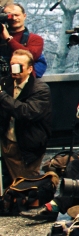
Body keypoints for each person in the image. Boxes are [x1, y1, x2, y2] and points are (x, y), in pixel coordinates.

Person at [0, 49, 51, 184]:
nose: (14, 69)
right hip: (7, 141)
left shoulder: (41, 89)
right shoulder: (6, 84)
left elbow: (26, 112)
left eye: (19, 66)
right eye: (12, 65)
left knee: (28, 185)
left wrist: (2, 95)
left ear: (29, 69)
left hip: (29, 145)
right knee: (11, 183)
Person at [0, 3, 46, 77]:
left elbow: (30, 57)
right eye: (10, 16)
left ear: (24, 16)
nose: (14, 18)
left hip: (23, 82)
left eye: (17, 15)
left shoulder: (35, 39)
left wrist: (8, 39)